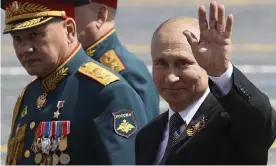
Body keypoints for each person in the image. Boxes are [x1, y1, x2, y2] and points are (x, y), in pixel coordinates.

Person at [2, 0, 148, 164]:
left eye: (36, 35)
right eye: (18, 38)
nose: (25, 49)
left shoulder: (106, 92)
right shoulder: (30, 94)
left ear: (70, 30)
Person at [135, 1, 276, 165]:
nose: (171, 77)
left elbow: (262, 121)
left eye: (183, 63)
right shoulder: (148, 136)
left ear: (205, 63)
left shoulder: (230, 121)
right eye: (161, 64)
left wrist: (221, 72)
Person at [71, 0, 160, 122]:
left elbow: (144, 135)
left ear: (100, 15)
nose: (65, 19)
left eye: (71, 11)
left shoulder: (127, 73)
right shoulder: (83, 61)